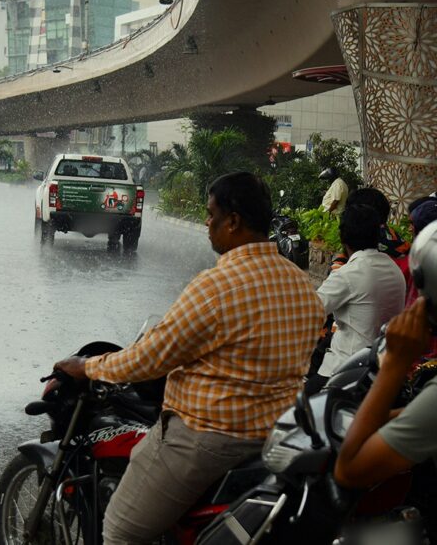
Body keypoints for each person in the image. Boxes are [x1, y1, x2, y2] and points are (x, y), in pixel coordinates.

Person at [54, 171, 325, 544]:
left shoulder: (215, 286)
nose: (206, 222)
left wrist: (88, 368)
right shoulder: (302, 285)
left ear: (233, 221)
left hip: (206, 439)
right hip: (273, 436)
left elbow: (149, 359)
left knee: (119, 530)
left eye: (212, 214)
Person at [334, 219, 437, 489]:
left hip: (357, 360)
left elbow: (349, 470)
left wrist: (395, 363)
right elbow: (416, 415)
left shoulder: (347, 273)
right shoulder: (391, 266)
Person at [307, 205, 405, 393]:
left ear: (343, 237)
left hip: (345, 368)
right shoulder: (393, 269)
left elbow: (309, 313)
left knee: (297, 409)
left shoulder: (347, 274)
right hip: (384, 364)